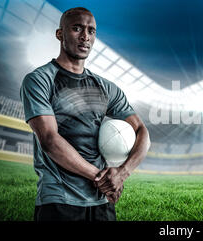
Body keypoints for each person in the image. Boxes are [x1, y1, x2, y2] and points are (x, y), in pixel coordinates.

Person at [20, 7, 151, 221]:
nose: (85, 36)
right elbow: (50, 140)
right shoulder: (39, 80)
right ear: (60, 34)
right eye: (77, 28)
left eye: (91, 31)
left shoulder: (106, 88)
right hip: (59, 199)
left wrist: (122, 173)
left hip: (101, 201)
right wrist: (103, 179)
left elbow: (141, 131)